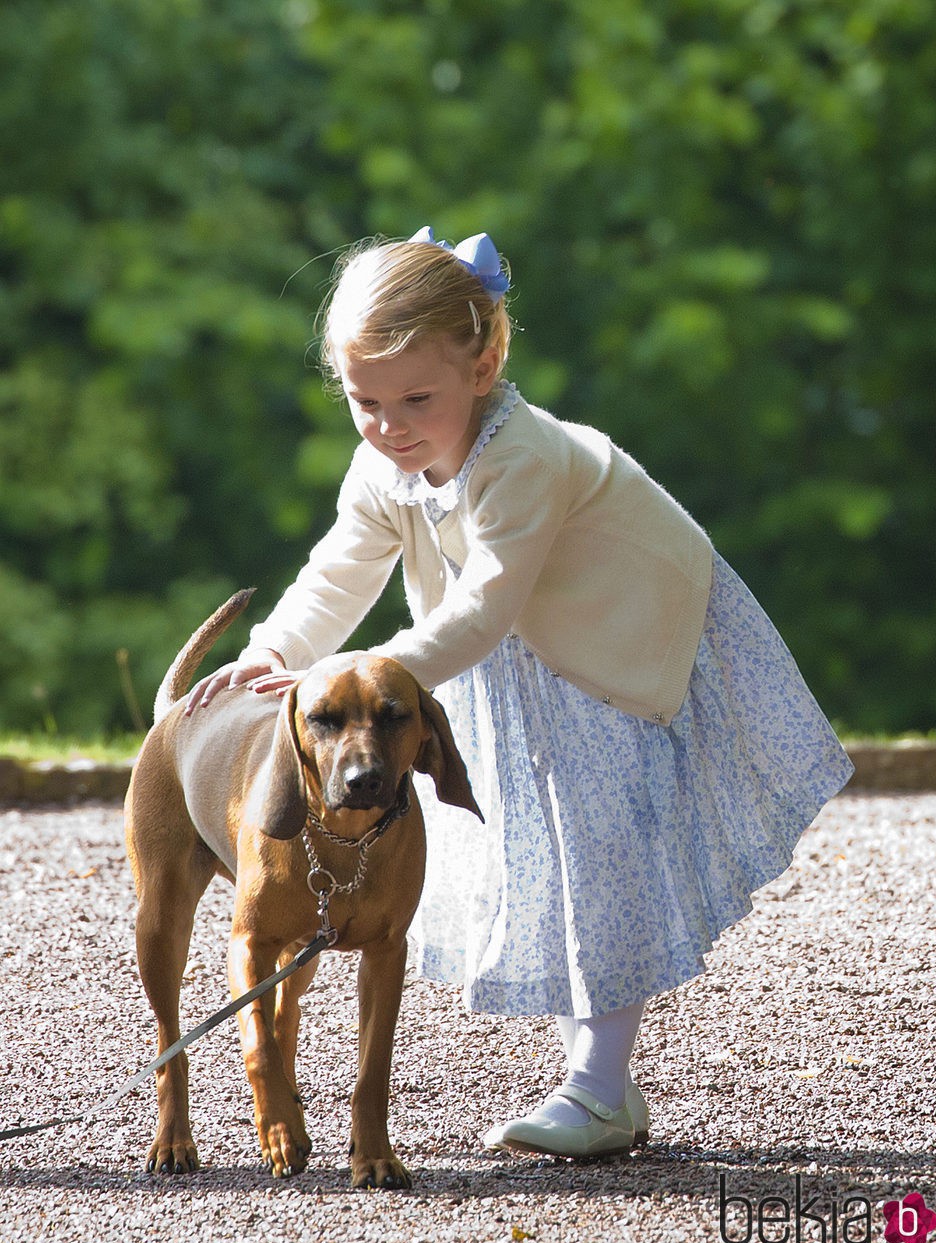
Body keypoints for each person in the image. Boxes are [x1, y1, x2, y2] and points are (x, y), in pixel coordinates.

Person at [185, 226, 853, 1158]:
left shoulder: (522, 456)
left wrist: (358, 672)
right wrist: (274, 650)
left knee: (600, 847)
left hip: (613, 644)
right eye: (365, 402)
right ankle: (596, 1080)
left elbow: (486, 604)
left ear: (486, 360)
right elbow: (341, 567)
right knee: (541, 850)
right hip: (518, 662)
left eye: (416, 397)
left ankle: (600, 1085)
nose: (390, 425)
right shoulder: (386, 460)